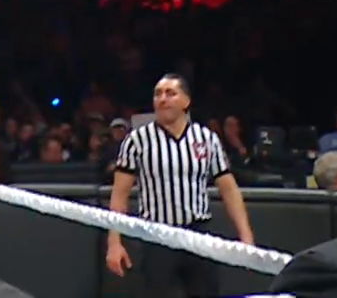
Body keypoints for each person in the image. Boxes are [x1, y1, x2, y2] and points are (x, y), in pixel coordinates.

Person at [105, 74, 256, 298]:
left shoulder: (206, 138)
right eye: (158, 94)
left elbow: (229, 189)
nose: (162, 99)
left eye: (170, 93)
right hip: (156, 235)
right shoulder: (137, 140)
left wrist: (246, 236)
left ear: (186, 101)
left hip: (198, 233)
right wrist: (114, 243)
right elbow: (120, 194)